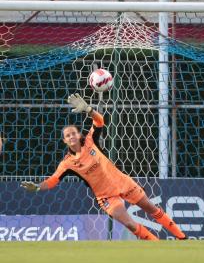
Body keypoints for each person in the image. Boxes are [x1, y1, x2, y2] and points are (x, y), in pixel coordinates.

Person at [21, 93, 187, 241]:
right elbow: (52, 181)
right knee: (129, 224)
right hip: (106, 197)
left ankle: (182, 237)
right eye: (67, 135)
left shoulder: (90, 142)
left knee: (150, 208)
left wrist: (88, 109)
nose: (71, 136)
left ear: (79, 135)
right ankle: (157, 246)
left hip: (123, 182)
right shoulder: (67, 163)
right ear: (64, 141)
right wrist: (37, 187)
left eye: (73, 133)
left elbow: (99, 121)